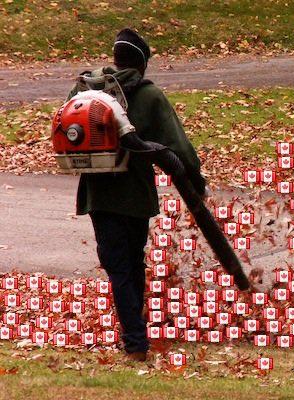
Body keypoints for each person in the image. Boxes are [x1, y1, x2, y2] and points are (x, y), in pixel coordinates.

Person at [65, 28, 204, 361]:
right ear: (142, 64)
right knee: (130, 262)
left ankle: (134, 338)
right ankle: (136, 342)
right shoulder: (149, 95)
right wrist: (196, 182)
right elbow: (179, 146)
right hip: (136, 195)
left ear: (115, 58)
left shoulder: (85, 89)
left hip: (98, 194)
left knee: (119, 266)